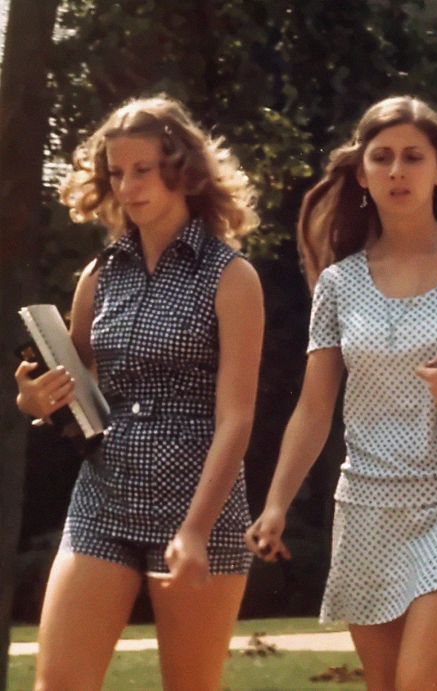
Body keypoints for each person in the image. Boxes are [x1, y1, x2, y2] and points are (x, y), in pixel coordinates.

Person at [244, 95, 437, 691]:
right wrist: (276, 504)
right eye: (382, 157)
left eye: (413, 157)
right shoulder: (338, 284)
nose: (397, 171)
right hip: (368, 504)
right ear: (362, 172)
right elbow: (314, 408)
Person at [14, 95, 264, 691]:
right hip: (104, 498)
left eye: (141, 170)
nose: (126, 186)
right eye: (116, 173)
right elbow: (75, 389)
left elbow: (236, 417)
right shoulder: (98, 276)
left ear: (181, 169)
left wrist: (197, 530)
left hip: (200, 506)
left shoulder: (232, 277)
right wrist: (34, 401)